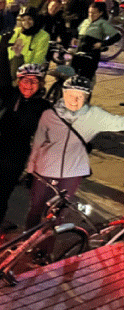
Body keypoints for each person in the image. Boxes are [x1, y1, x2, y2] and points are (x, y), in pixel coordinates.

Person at [25, 76, 124, 229]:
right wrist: (31, 167)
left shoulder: (95, 115)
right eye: (70, 94)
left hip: (72, 172)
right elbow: (38, 142)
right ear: (64, 94)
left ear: (87, 97)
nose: (74, 99)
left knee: (57, 214)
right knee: (36, 208)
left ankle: (45, 250)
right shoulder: (49, 115)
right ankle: (26, 243)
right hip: (44, 171)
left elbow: (120, 123)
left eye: (80, 96)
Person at [0, 64, 50, 231]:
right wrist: (2, 47)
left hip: (16, 156)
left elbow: (51, 135)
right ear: (18, 81)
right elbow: (3, 78)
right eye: (25, 80)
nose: (28, 85)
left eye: (34, 82)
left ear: (41, 84)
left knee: (2, 194)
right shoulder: (10, 96)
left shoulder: (43, 107)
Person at [73, 1, 122, 80]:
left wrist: (102, 44)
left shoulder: (102, 24)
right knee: (72, 76)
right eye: (89, 12)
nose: (91, 15)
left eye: (94, 13)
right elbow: (78, 31)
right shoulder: (86, 21)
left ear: (100, 13)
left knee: (86, 79)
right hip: (79, 53)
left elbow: (117, 36)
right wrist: (75, 38)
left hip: (91, 55)